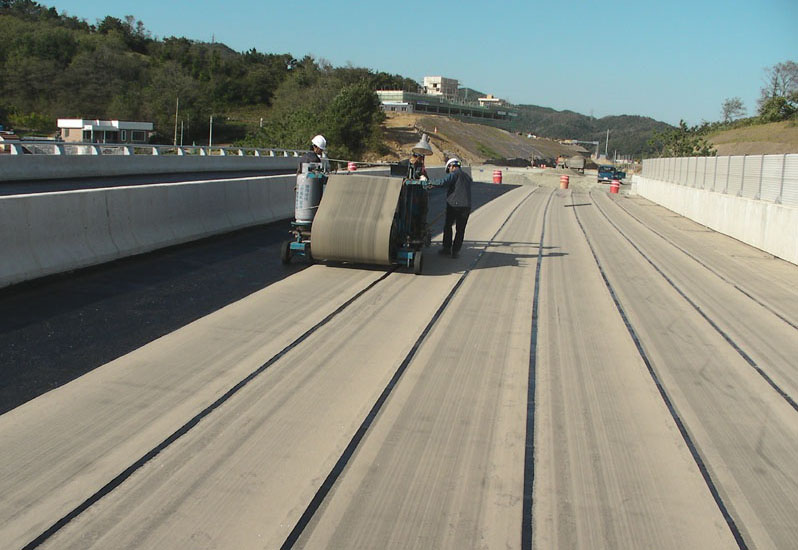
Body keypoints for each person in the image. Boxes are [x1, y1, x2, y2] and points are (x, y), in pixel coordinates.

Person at [431, 158, 472, 259]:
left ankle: (446, 248)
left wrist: (428, 182)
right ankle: (455, 251)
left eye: (449, 168)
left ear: (452, 166)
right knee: (460, 230)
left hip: (454, 206)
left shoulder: (454, 174)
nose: (449, 170)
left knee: (448, 226)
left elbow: (443, 182)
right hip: (466, 206)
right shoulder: (467, 176)